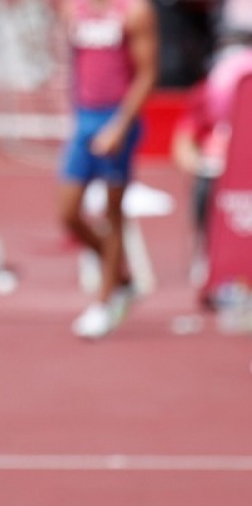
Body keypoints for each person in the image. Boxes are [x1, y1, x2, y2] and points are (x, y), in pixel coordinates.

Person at [58, 0, 159, 339]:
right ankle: (122, 275)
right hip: (84, 119)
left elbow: (147, 73)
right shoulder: (73, 7)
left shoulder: (135, 11)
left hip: (117, 120)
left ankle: (105, 300)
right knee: (68, 214)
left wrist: (119, 126)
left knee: (112, 215)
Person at [171, 26, 252, 287]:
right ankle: (206, 254)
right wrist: (199, 164)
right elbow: (183, 139)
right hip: (217, 169)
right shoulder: (207, 92)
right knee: (205, 193)